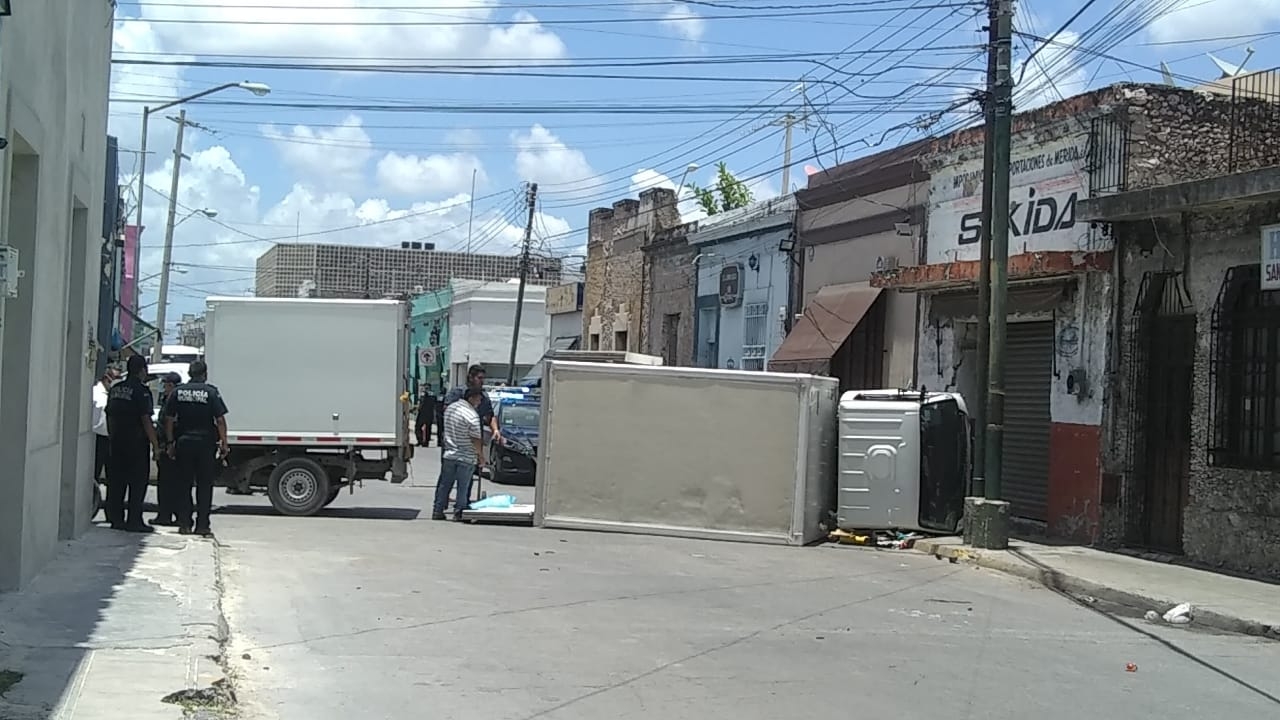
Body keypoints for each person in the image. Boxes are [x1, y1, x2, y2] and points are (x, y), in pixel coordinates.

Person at [163, 360, 229, 537]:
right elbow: (220, 420)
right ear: (204, 374)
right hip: (205, 444)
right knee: (204, 485)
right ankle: (202, 525)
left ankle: (184, 523)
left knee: (184, 484)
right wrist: (224, 443)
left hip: (184, 443)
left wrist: (170, 443)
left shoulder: (178, 392)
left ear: (190, 374)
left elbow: (168, 419)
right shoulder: (211, 392)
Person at [104, 355, 159, 532]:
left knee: (116, 482)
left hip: (117, 442)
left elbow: (109, 416)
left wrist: (112, 437)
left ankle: (116, 519)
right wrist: (156, 445)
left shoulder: (115, 389)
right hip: (136, 444)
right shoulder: (142, 391)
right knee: (137, 484)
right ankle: (134, 520)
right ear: (142, 370)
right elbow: (146, 420)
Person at [433, 387, 488, 521]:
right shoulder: (471, 415)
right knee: (463, 486)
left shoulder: (451, 409)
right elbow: (475, 439)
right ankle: (459, 511)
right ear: (471, 398)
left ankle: (438, 510)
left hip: (450, 453)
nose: (480, 402)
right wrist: (481, 456)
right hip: (466, 456)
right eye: (479, 399)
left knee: (445, 484)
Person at [151, 372, 183, 527]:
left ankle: (167, 515)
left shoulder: (176, 401)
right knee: (167, 483)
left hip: (170, 447)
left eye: (166, 385)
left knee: (169, 483)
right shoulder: (168, 399)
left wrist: (169, 444)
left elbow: (171, 424)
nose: (164, 387)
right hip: (165, 445)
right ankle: (167, 514)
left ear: (173, 385)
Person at [92, 367, 120, 485]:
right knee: (94, 471)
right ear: (106, 379)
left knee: (113, 473)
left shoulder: (112, 393)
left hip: (111, 438)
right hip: (97, 438)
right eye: (114, 379)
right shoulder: (95, 393)